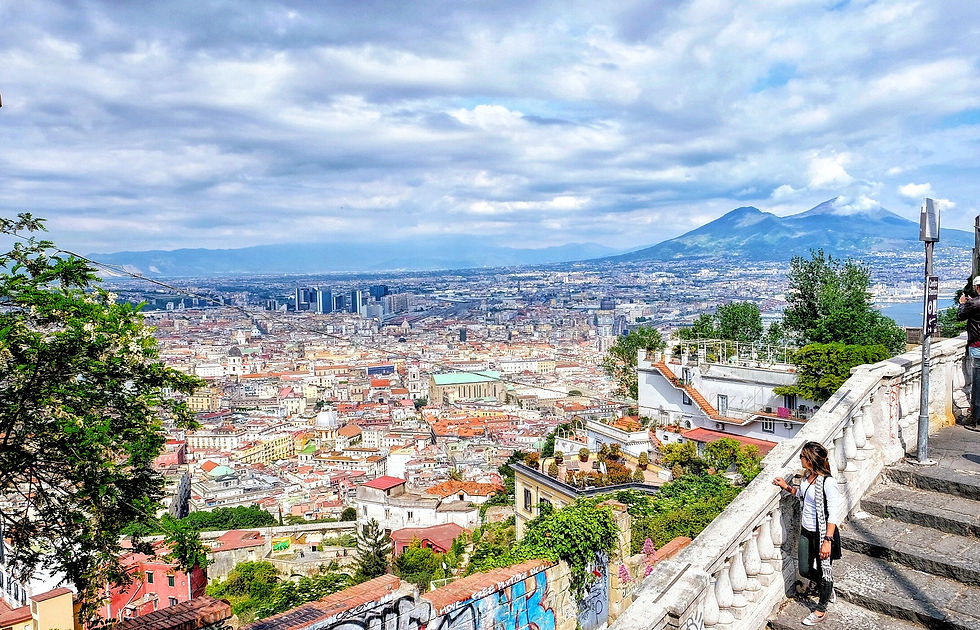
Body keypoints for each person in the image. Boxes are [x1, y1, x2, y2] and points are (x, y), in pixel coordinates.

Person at [772, 441, 841, 625]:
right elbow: (802, 496)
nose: (800, 459)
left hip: (823, 534)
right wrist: (786, 487)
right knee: (804, 568)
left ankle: (821, 609)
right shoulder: (807, 478)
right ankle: (827, 587)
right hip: (806, 531)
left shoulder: (828, 482)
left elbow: (834, 512)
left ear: (810, 459)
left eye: (802, 456)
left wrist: (827, 540)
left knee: (825, 571)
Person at [957, 275, 980, 425]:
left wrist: (962, 304)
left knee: (977, 383)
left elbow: (960, 316)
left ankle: (976, 416)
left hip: (977, 346)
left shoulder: (975, 303)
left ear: (977, 287)